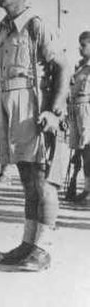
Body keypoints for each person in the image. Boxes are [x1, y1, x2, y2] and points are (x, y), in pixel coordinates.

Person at [0, 0, 70, 271]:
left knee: (42, 179)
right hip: (10, 105)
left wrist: (53, 110)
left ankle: (43, 249)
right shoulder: (4, 27)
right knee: (27, 177)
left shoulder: (36, 24)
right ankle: (28, 243)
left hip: (34, 105)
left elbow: (61, 66)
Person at [67, 31, 90, 203]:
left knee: (88, 150)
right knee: (78, 150)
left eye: (84, 45)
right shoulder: (80, 67)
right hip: (75, 110)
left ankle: (88, 189)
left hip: (87, 110)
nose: (80, 48)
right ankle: (82, 187)